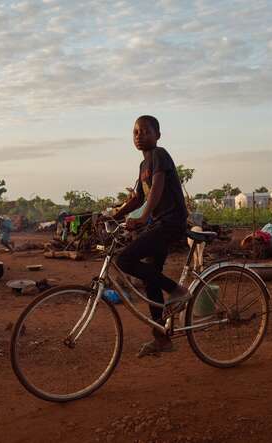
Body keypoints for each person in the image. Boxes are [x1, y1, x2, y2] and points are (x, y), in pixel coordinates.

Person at [112, 115, 189, 357]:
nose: (139, 135)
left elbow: (156, 188)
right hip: (159, 223)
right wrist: (113, 215)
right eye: (135, 132)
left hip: (171, 221)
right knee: (150, 278)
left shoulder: (159, 155)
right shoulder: (143, 165)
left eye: (145, 131)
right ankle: (162, 339)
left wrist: (143, 217)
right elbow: (137, 197)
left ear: (157, 135)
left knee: (124, 260)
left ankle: (177, 291)